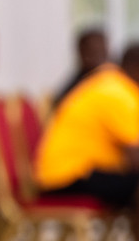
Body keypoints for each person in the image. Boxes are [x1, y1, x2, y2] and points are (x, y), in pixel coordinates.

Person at [35, 43, 139, 212]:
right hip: (67, 178)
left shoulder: (114, 84)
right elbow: (135, 159)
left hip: (74, 174)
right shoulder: (117, 93)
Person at [54, 27, 110, 106]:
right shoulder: (73, 89)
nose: (99, 58)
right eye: (93, 52)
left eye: (102, 52)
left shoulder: (117, 80)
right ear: (81, 52)